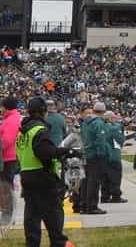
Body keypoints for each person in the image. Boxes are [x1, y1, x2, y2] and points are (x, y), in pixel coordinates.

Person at [16, 97, 78, 247]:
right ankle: (59, 243)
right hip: (42, 177)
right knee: (53, 213)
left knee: (32, 216)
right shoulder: (40, 130)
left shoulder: (23, 132)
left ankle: (32, 243)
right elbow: (45, 153)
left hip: (26, 175)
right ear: (43, 112)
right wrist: (65, 151)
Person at [79, 102, 108, 215]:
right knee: (94, 181)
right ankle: (92, 206)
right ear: (103, 112)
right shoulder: (98, 123)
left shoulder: (86, 122)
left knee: (86, 180)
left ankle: (84, 204)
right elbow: (100, 140)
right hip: (95, 154)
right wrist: (102, 154)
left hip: (86, 153)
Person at [0, 96, 22, 224]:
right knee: (5, 186)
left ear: (7, 107)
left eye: (2, 106)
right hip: (8, 156)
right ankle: (8, 213)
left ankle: (8, 215)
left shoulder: (11, 120)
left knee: (6, 186)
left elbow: (7, 141)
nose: (0, 109)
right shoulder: (10, 118)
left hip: (8, 157)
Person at [100, 111, 126, 204]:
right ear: (110, 118)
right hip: (114, 154)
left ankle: (105, 196)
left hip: (104, 155)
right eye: (114, 117)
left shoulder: (102, 126)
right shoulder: (114, 128)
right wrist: (119, 127)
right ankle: (116, 196)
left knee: (105, 177)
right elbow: (121, 139)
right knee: (116, 176)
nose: (116, 119)